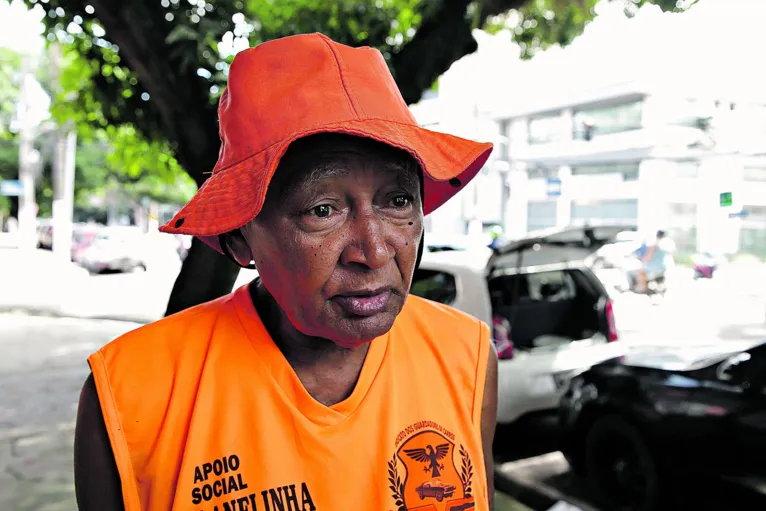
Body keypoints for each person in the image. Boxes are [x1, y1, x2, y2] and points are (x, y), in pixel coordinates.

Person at [73, 33, 497, 511]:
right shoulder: (133, 393)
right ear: (239, 237)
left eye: (398, 201)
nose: (375, 251)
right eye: (322, 210)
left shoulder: (467, 356)